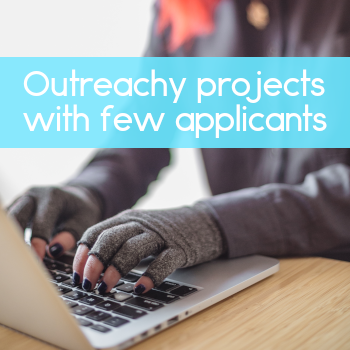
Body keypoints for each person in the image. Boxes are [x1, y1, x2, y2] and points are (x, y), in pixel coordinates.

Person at [8, 0, 350, 296]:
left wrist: (211, 224)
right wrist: (88, 193)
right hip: (247, 282)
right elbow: (142, 133)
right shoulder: (180, 9)